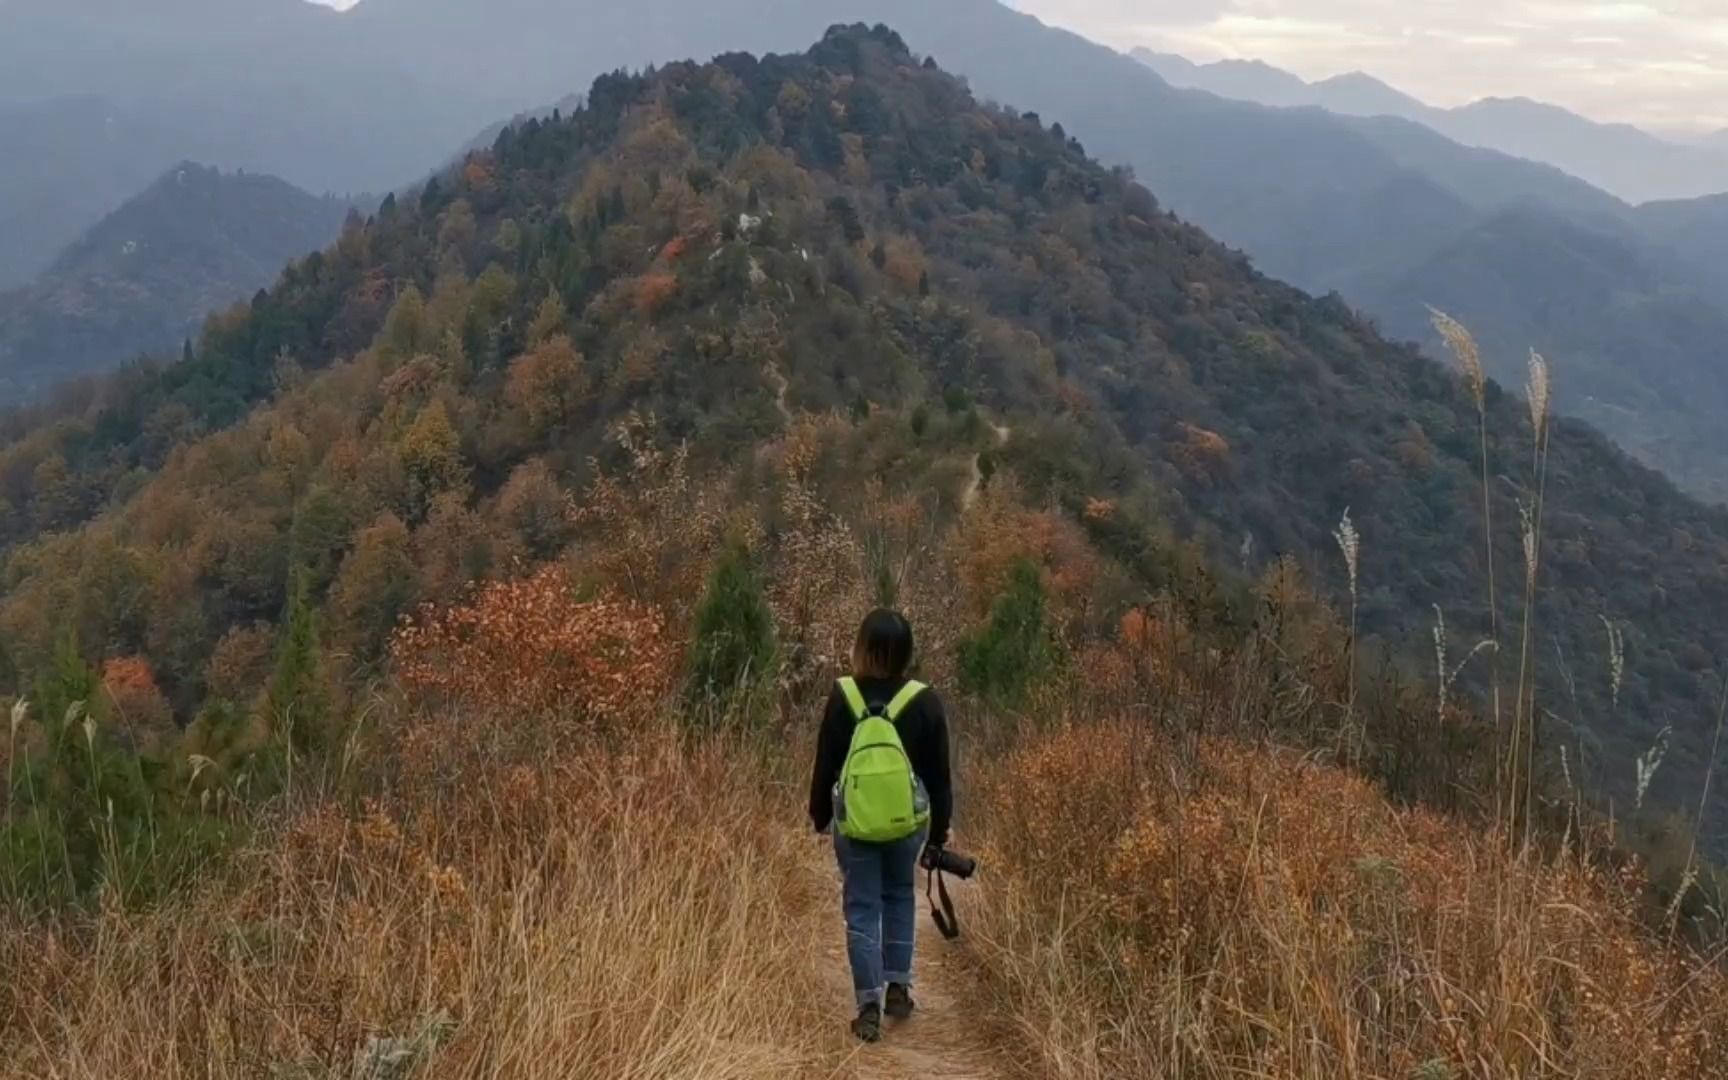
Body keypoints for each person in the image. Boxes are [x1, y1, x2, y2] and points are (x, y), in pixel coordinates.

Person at [808, 609, 953, 1043]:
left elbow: (826, 763)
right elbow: (939, 778)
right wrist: (940, 833)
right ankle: (898, 989)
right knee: (899, 898)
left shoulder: (843, 695)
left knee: (862, 906)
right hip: (906, 825)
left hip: (855, 826)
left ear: (860, 645)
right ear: (908, 651)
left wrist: (820, 815)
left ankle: (867, 1004)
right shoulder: (923, 699)